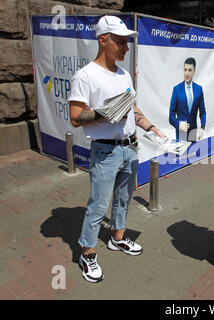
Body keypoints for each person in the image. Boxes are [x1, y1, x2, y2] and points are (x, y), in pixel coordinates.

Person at [68, 15, 166, 283]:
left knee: (124, 199)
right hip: (105, 151)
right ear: (103, 40)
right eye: (121, 42)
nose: (126, 47)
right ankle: (87, 253)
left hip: (130, 147)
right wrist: (105, 114)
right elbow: (75, 117)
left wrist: (151, 128)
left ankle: (117, 238)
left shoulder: (123, 75)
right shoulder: (85, 76)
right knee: (98, 206)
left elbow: (132, 107)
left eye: (127, 42)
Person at [169, 57, 206, 142]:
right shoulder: (177, 89)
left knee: (192, 154)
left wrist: (202, 127)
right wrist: (178, 124)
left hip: (193, 131)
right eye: (185, 70)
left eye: (190, 70)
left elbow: (203, 112)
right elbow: (171, 115)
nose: (187, 73)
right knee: (181, 155)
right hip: (181, 131)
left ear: (194, 72)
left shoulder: (199, 89)